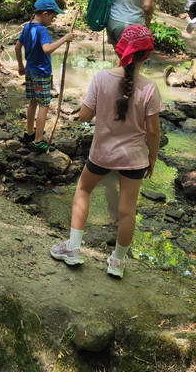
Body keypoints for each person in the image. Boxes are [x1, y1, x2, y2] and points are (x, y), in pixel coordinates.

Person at [50, 25, 163, 279]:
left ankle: (74, 247)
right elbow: (153, 131)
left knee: (83, 189)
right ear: (146, 56)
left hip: (101, 153)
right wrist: (152, 158)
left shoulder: (102, 78)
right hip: (134, 159)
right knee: (127, 211)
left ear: (118, 50)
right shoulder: (150, 89)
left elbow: (84, 115)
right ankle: (117, 262)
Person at [15, 0, 74, 152]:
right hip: (41, 73)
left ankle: (29, 133)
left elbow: (17, 46)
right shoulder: (42, 30)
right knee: (44, 105)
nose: (53, 21)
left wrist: (21, 65)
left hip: (30, 71)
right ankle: (38, 141)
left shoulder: (28, 27)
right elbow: (47, 49)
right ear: (45, 14)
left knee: (33, 101)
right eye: (53, 17)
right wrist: (64, 39)